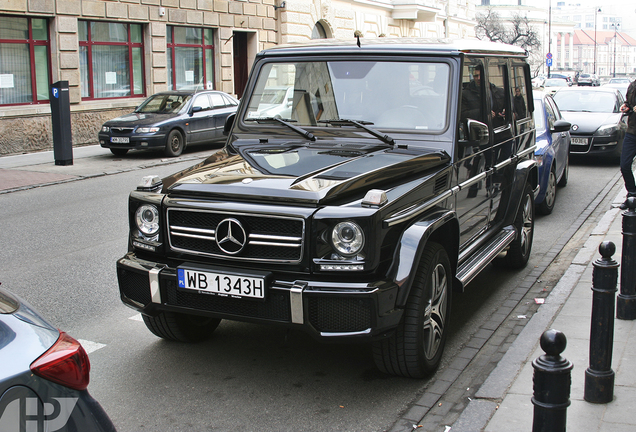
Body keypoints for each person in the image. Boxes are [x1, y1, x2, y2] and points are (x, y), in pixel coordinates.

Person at [619, 79, 636, 210]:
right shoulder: (633, 85)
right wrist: (626, 106)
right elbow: (629, 102)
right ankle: (632, 193)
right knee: (625, 164)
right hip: (632, 131)